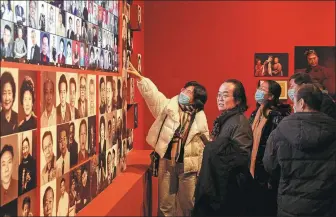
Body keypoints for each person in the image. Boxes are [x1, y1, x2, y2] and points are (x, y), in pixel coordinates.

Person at [128, 63, 209, 216]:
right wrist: (140, 79)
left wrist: (201, 169)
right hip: (167, 163)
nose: (183, 92)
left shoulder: (200, 118)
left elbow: (205, 144)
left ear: (196, 98)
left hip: (189, 167)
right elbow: (153, 95)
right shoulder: (169, 107)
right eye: (184, 89)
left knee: (188, 206)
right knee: (165, 207)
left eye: (189, 91)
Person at [263, 84, 336, 217]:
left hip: (290, 205)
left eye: (294, 101)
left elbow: (269, 165)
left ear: (302, 103)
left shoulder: (281, 130)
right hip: (326, 205)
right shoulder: (333, 129)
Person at [193, 79, 253, 216]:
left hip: (228, 192)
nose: (219, 99)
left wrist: (212, 149)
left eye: (225, 95)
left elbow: (241, 156)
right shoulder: (225, 120)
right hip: (220, 188)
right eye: (218, 95)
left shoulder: (239, 123)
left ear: (238, 100)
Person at [249, 80, 291, 215]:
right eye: (258, 88)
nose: (258, 91)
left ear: (271, 96)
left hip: (267, 173)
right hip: (252, 170)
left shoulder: (278, 116)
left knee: (266, 208)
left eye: (262, 89)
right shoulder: (255, 114)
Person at [0, 71, 18, 136]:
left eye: (9, 93)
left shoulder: (18, 117)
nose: (7, 98)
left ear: (13, 96)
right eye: (4, 93)